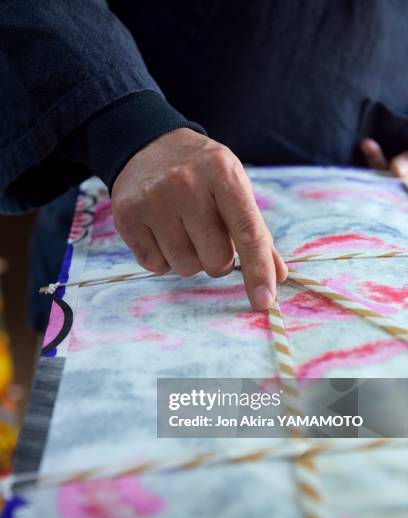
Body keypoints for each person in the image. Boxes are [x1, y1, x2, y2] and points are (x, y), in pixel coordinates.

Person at [2, 1, 408, 329]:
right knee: (175, 418)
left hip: (372, 218)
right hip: (136, 187)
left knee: (358, 417)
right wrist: (126, 120)